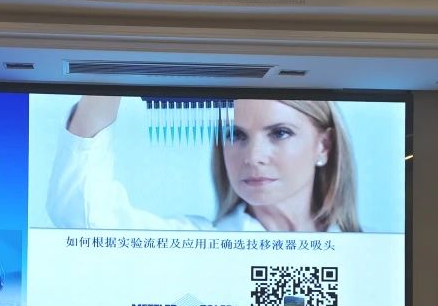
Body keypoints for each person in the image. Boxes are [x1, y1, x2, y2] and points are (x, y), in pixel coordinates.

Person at [47, 96, 360, 232]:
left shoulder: (372, 253)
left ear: (324, 145)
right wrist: (111, 53)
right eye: (235, 135)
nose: (253, 156)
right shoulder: (198, 243)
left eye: (280, 133)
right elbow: (83, 215)